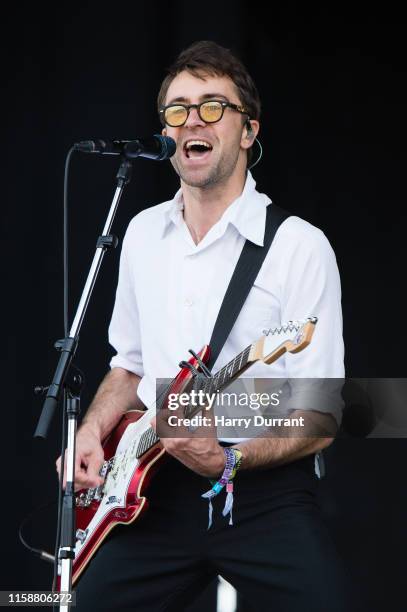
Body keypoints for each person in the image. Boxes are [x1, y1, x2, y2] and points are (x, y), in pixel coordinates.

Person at [57, 40, 351, 611]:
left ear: (248, 131)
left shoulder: (297, 246)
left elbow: (325, 410)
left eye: (213, 106)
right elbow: (129, 366)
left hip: (263, 495)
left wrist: (229, 458)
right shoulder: (141, 233)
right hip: (151, 493)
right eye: (178, 109)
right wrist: (92, 430)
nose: (193, 120)